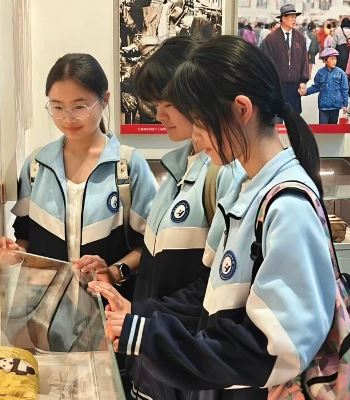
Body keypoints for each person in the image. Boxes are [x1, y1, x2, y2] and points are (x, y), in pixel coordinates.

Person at [103, 35, 336, 400]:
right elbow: (209, 298)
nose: (195, 136)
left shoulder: (286, 204)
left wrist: (150, 337)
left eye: (200, 120)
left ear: (241, 109)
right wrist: (141, 319)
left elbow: (270, 350)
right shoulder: (245, 188)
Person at [90, 35, 241, 400]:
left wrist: (140, 313)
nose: (159, 115)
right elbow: (157, 256)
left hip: (185, 363)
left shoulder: (225, 174)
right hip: (153, 359)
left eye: (168, 104)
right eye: (155, 104)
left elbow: (216, 288)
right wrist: (118, 272)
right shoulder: (176, 168)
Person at [0, 53, 157, 288]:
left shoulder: (128, 165)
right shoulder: (37, 165)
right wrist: (14, 253)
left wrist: (114, 272)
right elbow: (25, 237)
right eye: (57, 107)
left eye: (80, 106)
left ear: (105, 100)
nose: (68, 118)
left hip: (107, 303)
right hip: (46, 304)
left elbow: (149, 244)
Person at [260, 4, 309, 117]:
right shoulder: (271, 38)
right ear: (283, 18)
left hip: (294, 86)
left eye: (295, 17)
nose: (294, 20)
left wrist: (303, 81)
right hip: (277, 85)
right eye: (291, 17)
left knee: (293, 118)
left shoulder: (300, 38)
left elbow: (304, 60)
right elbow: (266, 61)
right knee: (276, 117)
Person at [300, 48, 349, 124]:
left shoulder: (341, 73)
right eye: (331, 59)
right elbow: (316, 86)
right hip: (323, 107)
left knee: (333, 128)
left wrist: (345, 104)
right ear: (325, 61)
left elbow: (344, 89)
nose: (334, 61)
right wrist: (306, 92)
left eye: (335, 59)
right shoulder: (320, 73)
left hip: (335, 107)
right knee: (322, 128)